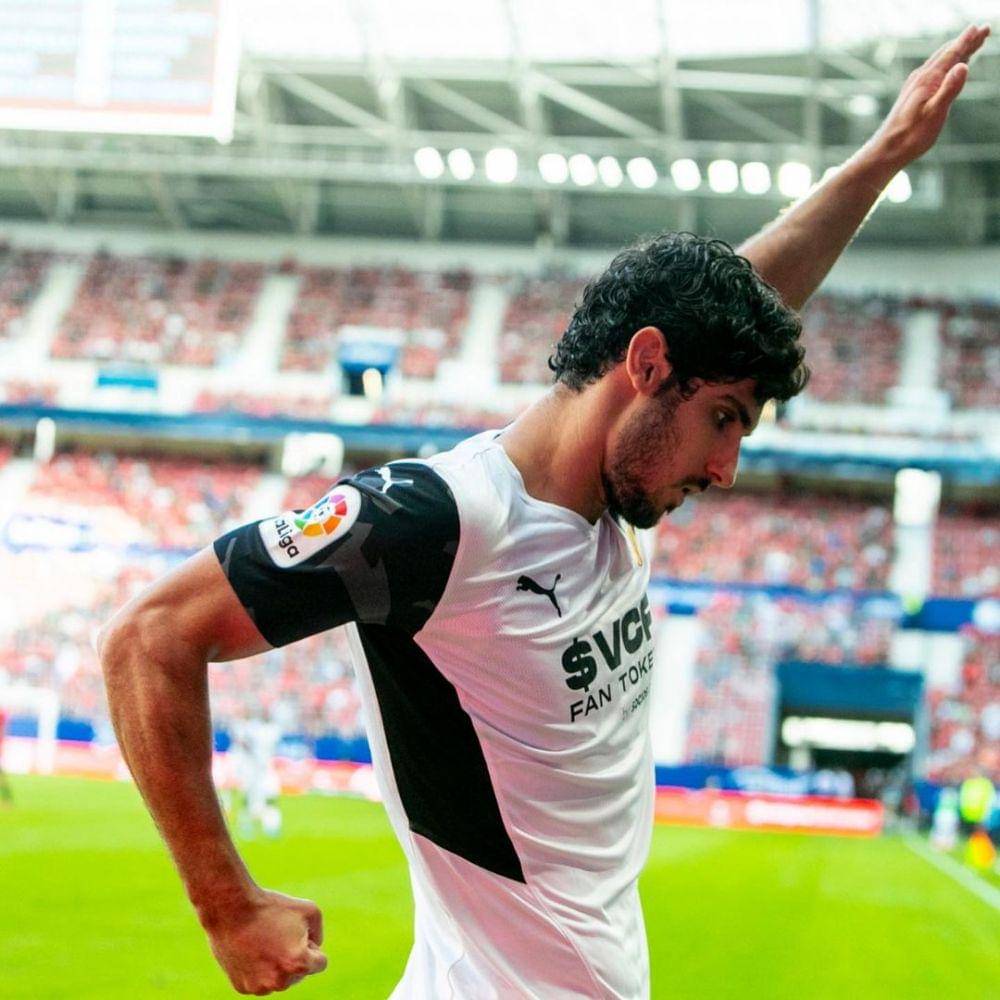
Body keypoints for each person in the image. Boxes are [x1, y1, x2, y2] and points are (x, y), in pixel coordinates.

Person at [98, 25, 990, 999]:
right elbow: (150, 635)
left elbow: (745, 294)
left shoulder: (613, 506)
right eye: (723, 421)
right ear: (646, 368)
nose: (728, 468)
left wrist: (881, 158)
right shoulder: (435, 524)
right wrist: (225, 903)